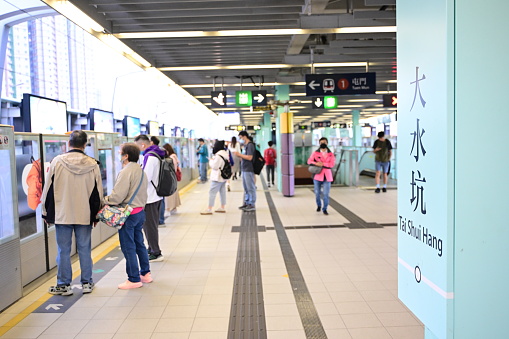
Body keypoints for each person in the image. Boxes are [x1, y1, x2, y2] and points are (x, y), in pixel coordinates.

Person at [41, 130, 103, 296]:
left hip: (63, 213)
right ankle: (87, 283)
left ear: (69, 143)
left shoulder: (57, 162)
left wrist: (46, 213)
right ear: (85, 144)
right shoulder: (93, 164)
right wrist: (96, 214)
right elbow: (98, 192)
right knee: (84, 249)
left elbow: (47, 190)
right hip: (84, 213)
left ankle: (63, 285)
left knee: (63, 250)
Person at [104, 143, 152, 289]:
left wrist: (104, 200)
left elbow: (117, 196)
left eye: (120, 152)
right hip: (140, 212)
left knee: (128, 246)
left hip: (128, 215)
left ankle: (133, 279)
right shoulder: (141, 171)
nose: (118, 154)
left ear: (126, 156)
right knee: (139, 244)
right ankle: (145, 274)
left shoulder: (126, 172)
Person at [134, 134, 165, 262]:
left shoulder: (149, 156)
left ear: (143, 145)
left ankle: (156, 252)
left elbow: (145, 177)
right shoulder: (157, 154)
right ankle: (151, 247)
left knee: (149, 226)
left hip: (150, 197)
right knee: (149, 225)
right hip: (155, 195)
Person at [307, 137, 336, 215]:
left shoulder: (331, 154)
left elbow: (332, 164)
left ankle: (325, 208)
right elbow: (309, 161)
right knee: (317, 193)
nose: (323, 143)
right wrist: (316, 163)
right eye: (321, 142)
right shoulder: (315, 153)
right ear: (319, 143)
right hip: (317, 175)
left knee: (326, 194)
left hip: (327, 176)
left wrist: (323, 164)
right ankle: (319, 205)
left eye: (325, 142)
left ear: (327, 143)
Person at [201, 140, 229, 215]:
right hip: (223, 176)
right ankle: (222, 207)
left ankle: (209, 209)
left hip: (217, 177)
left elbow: (215, 166)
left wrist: (211, 161)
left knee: (212, 192)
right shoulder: (225, 153)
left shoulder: (218, 156)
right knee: (222, 191)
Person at [234, 131, 256, 212]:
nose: (240, 139)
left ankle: (252, 204)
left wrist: (239, 155)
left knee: (250, 187)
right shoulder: (245, 146)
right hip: (244, 168)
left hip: (249, 169)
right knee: (246, 187)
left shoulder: (250, 145)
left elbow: (250, 157)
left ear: (244, 136)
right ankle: (247, 202)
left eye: (241, 137)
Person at [162, 143, 181, 216]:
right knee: (174, 192)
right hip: (173, 177)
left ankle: (168, 209)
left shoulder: (171, 157)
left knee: (170, 194)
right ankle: (174, 208)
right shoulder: (174, 156)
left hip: (171, 177)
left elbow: (173, 168)